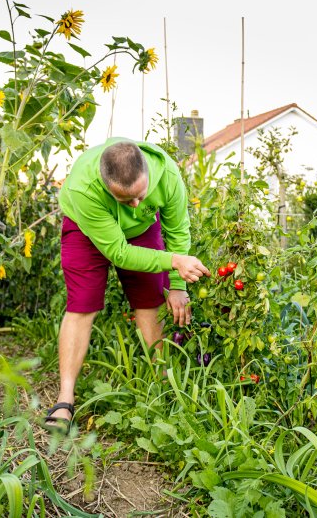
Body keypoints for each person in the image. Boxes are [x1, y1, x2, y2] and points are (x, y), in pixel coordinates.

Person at [45, 138, 210, 431]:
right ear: (106, 185)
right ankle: (65, 399)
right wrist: (173, 262)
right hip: (88, 228)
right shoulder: (84, 188)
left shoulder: (168, 174)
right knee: (82, 306)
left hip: (141, 231)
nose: (135, 205)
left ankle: (165, 389)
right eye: (125, 200)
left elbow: (177, 230)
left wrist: (177, 286)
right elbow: (119, 253)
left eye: (140, 196)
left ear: (148, 173)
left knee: (150, 302)